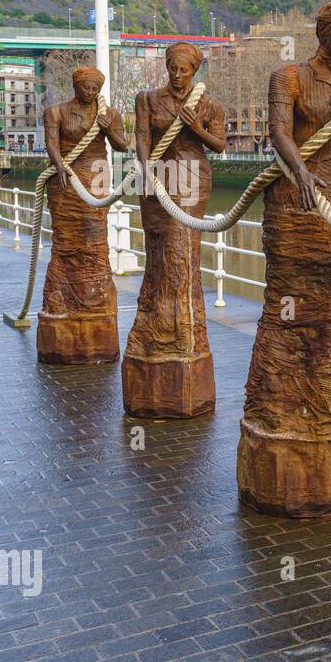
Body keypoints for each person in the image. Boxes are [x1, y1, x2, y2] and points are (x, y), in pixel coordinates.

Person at [238, 1, 331, 518]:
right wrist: (300, 172)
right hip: (296, 201)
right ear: (322, 33)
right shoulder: (290, 77)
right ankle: (282, 410)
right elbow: (279, 134)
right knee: (289, 310)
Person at [123, 42, 225, 417]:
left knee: (181, 253)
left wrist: (195, 127)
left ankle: (181, 334)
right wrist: (146, 166)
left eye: (184, 69)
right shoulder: (147, 99)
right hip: (157, 178)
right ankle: (152, 328)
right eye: (173, 68)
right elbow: (142, 137)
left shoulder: (208, 104)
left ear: (194, 70)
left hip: (192, 178)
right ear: (167, 67)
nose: (177, 75)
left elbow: (219, 145)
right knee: (158, 252)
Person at [37, 66, 129, 364]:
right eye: (86, 88)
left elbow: (122, 145)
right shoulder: (56, 111)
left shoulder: (109, 113)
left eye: (94, 88)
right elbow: (51, 141)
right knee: (66, 241)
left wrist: (108, 129)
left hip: (96, 175)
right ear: (76, 86)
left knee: (93, 237)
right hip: (65, 178)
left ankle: (93, 297)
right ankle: (62, 296)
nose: (90, 93)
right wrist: (60, 164)